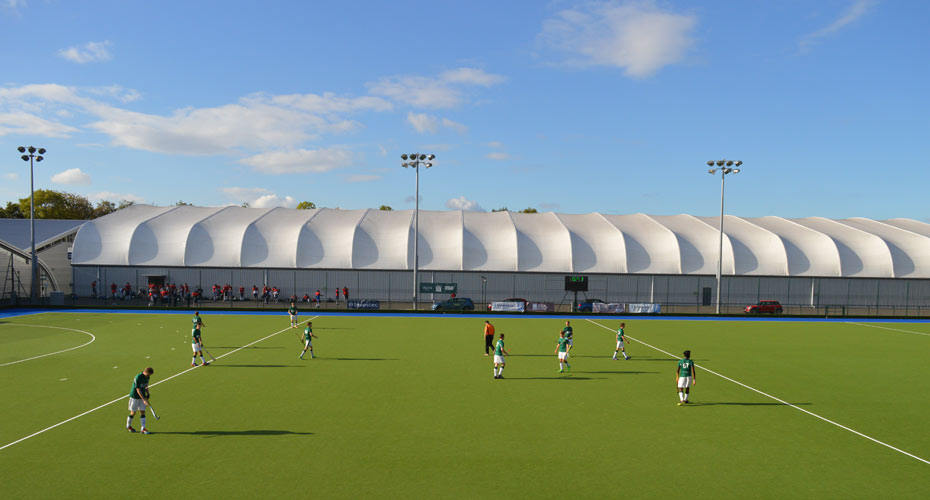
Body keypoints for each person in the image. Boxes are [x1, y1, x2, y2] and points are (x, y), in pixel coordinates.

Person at [126, 367, 154, 434]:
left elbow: (146, 386)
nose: (149, 376)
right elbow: (138, 390)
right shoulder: (138, 377)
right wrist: (144, 400)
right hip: (134, 397)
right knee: (133, 412)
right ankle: (128, 426)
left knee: (142, 412)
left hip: (142, 396)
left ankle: (143, 428)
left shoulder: (147, 377)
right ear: (145, 372)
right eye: (148, 375)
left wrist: (148, 393)